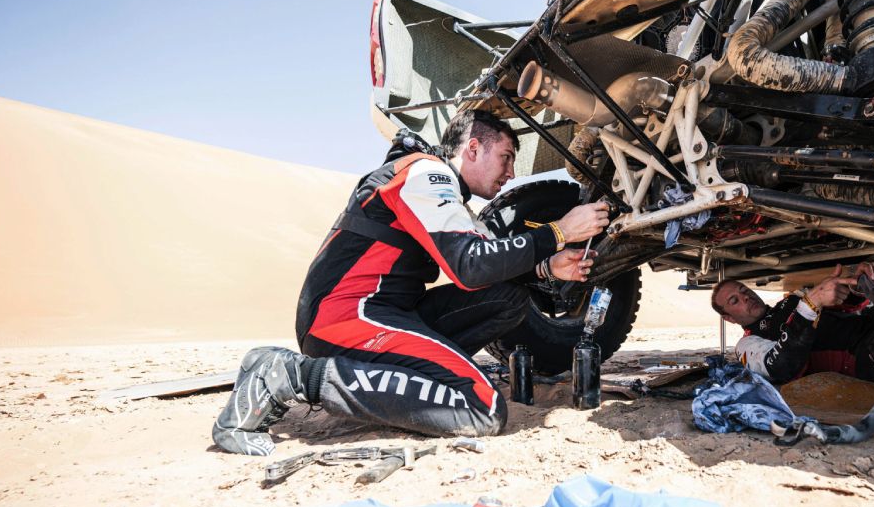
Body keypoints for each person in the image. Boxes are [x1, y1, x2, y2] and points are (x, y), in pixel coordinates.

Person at [212, 110, 609, 455]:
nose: (511, 173)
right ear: (473, 148)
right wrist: (557, 231)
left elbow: (490, 263)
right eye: (506, 158)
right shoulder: (425, 173)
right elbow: (469, 267)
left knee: (507, 299)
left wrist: (547, 267)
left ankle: (427, 374)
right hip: (346, 318)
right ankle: (290, 374)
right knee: (482, 408)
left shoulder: (447, 195)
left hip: (389, 312)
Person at [711, 263, 874, 387]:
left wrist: (857, 284)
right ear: (729, 318)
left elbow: (844, 303)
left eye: (745, 291)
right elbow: (780, 368)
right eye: (735, 301)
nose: (746, 298)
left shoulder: (792, 300)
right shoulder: (747, 344)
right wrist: (810, 304)